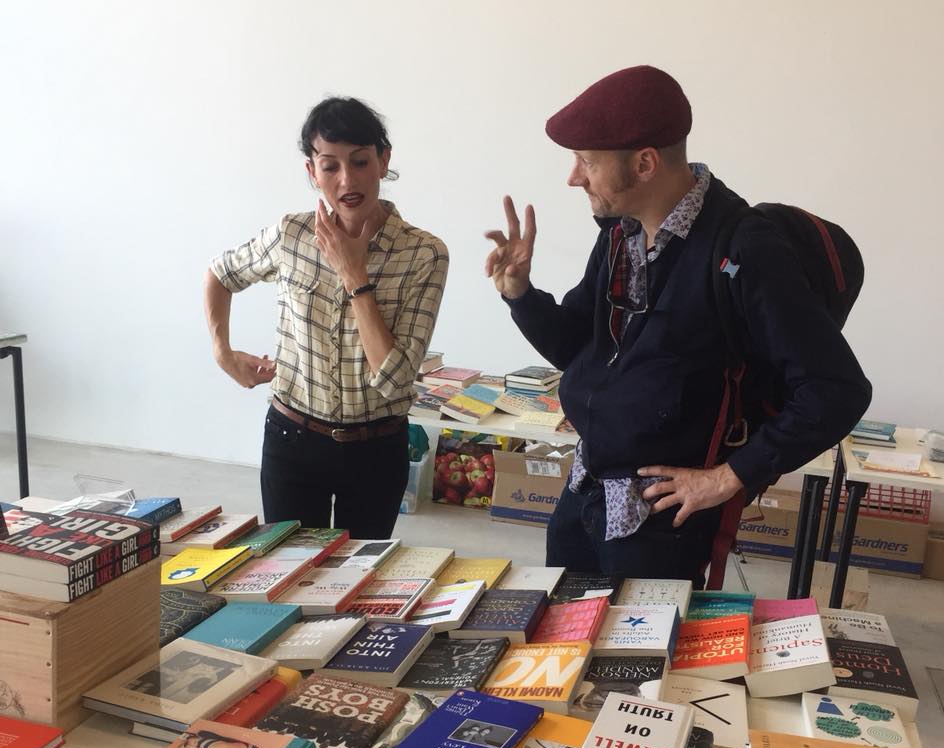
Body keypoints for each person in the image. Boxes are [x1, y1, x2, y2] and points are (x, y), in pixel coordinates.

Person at [484, 66, 871, 585]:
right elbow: (581, 348)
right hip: (585, 493)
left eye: (587, 161)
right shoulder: (620, 234)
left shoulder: (744, 251)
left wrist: (728, 479)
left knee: (638, 666)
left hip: (662, 526)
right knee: (564, 652)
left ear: (644, 163)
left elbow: (835, 390)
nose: (574, 177)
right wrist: (520, 294)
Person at [205, 97, 448, 537]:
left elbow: (393, 378)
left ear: (383, 159)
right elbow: (220, 274)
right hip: (291, 440)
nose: (347, 180)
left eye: (360, 161)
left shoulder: (424, 254)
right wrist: (223, 352)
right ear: (311, 172)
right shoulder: (291, 234)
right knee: (287, 576)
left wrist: (353, 272)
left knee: (359, 586)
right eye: (330, 166)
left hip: (377, 448)